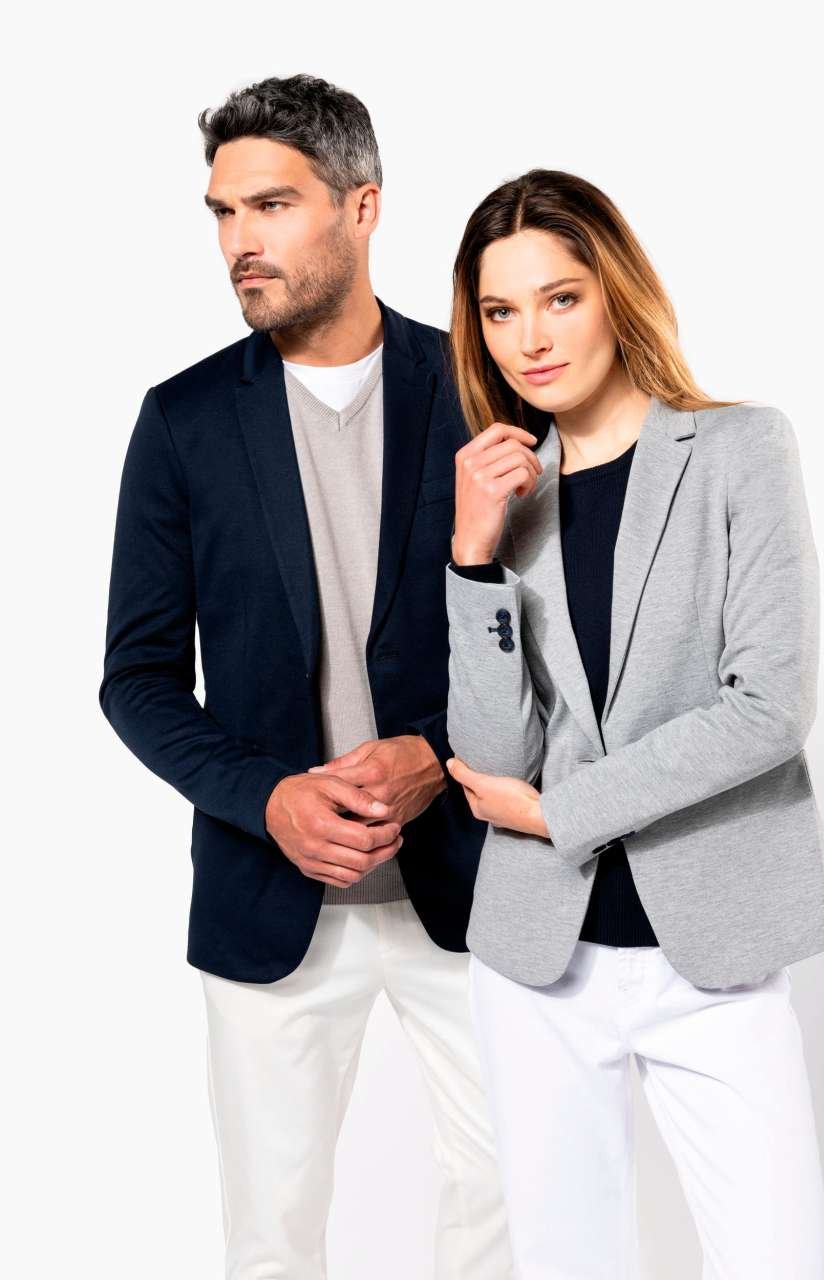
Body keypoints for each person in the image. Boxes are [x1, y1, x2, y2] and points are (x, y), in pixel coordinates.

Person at [98, 74, 513, 1279]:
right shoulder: (181, 421)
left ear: (362, 205)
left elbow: (554, 640)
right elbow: (136, 677)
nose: (241, 241)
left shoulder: (482, 389)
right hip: (265, 898)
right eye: (223, 213)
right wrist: (268, 795)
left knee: (511, 1196)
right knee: (272, 1235)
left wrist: (437, 755)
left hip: (475, 883)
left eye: (271, 205)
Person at [442, 167, 824, 1279]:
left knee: (779, 1259)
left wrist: (559, 810)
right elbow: (493, 757)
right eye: (500, 311)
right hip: (536, 961)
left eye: (559, 297)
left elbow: (767, 704)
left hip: (710, 949)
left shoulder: (739, 449)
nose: (531, 338)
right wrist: (471, 557)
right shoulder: (507, 496)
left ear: (615, 291)